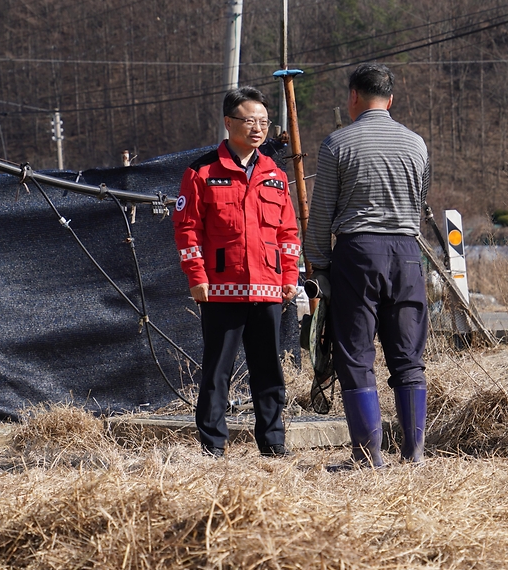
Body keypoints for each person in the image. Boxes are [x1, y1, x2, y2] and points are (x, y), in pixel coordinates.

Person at [304, 63, 430, 467]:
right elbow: (419, 201)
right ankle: (414, 454)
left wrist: (319, 267)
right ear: (391, 100)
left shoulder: (337, 144)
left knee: (356, 356)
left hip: (357, 253)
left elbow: (321, 212)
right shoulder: (416, 144)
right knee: (408, 358)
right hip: (408, 254)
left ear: (352, 97)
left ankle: (367, 456)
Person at [173, 86, 301, 458]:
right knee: (217, 371)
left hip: (267, 290)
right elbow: (187, 228)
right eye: (250, 121)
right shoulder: (202, 171)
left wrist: (288, 276)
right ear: (229, 123)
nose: (258, 128)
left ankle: (273, 443)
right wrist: (196, 276)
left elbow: (287, 233)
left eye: (263, 121)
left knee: (269, 370)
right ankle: (213, 445)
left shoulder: (274, 175)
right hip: (220, 289)